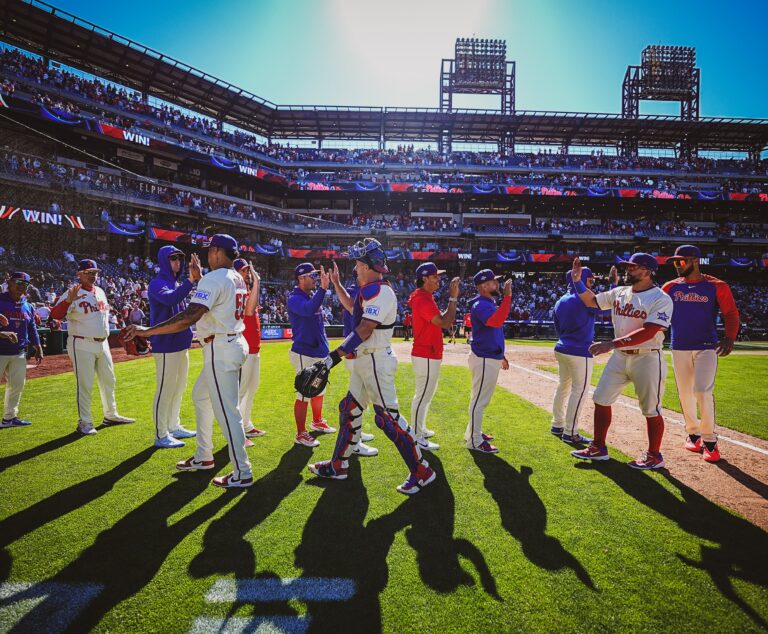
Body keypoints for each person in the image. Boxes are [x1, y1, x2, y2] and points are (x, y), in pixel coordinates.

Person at [125, 234, 252, 488]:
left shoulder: (215, 278)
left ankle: (242, 471)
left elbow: (187, 317)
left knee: (228, 413)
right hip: (232, 341)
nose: (206, 254)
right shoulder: (235, 276)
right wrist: (201, 279)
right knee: (200, 396)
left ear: (216, 251)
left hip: (220, 347)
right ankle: (204, 456)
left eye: (210, 250)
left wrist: (146, 331)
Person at [308, 238, 434, 495]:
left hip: (375, 360)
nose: (354, 268)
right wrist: (336, 285)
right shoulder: (371, 290)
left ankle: (422, 471)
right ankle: (338, 465)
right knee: (349, 409)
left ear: (366, 265)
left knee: (388, 418)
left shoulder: (382, 291)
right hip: (368, 360)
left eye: (357, 263)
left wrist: (333, 357)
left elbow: (365, 329)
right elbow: (353, 309)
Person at [569, 253, 674, 470]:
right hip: (620, 356)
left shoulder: (660, 298)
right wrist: (577, 281)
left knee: (651, 409)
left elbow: (649, 331)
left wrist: (611, 344)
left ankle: (654, 455)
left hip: (647, 357)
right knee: (601, 398)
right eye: (627, 266)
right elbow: (592, 301)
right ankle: (598, 447)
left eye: (633, 267)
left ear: (647, 271)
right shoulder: (620, 292)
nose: (628, 270)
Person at [662, 244, 740, 463]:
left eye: (681, 261)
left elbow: (731, 314)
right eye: (675, 262)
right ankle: (693, 434)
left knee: (702, 392)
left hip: (707, 346)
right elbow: (655, 311)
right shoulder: (670, 287)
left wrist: (730, 337)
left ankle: (710, 441)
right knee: (685, 393)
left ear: (695, 261)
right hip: (679, 346)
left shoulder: (717, 286)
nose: (677, 266)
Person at [50, 259, 135, 435]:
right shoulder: (72, 292)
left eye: (94, 272)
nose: (92, 276)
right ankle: (85, 422)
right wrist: (68, 301)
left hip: (102, 343)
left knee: (109, 380)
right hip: (81, 342)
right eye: (88, 272)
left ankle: (111, 415)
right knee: (85, 384)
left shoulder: (101, 291)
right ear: (79, 274)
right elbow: (55, 315)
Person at [550, 266, 616, 444]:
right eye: (590, 280)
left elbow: (556, 327)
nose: (591, 283)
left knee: (563, 386)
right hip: (580, 350)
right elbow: (606, 307)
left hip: (562, 347)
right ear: (580, 278)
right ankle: (570, 432)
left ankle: (557, 424)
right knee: (579, 391)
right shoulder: (585, 300)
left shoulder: (560, 300)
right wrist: (613, 284)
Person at [147, 245, 201, 449]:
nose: (177, 262)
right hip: (165, 344)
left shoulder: (176, 282)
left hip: (180, 344)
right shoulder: (157, 283)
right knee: (164, 389)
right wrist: (191, 281)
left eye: (180, 258)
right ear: (163, 260)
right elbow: (172, 298)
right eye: (173, 258)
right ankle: (161, 434)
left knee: (179, 387)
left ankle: (173, 425)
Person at [407, 262, 460, 452]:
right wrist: (453, 299)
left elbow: (442, 321)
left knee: (426, 395)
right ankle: (416, 434)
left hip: (428, 353)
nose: (438, 279)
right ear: (424, 278)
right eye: (435, 276)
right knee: (422, 396)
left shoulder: (425, 297)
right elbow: (445, 323)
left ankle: (419, 428)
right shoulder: (423, 299)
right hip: (426, 353)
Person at [287, 262, 336, 448]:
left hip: (319, 352)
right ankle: (300, 433)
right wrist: (323, 289)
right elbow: (308, 310)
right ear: (300, 278)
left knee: (319, 388)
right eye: (311, 275)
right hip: (304, 352)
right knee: (304, 392)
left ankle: (317, 421)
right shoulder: (294, 298)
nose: (314, 278)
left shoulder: (310, 296)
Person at [328, 272, 377, 457]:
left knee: (360, 396)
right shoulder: (359, 292)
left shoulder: (358, 291)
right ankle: (355, 442)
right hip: (354, 351)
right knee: (358, 397)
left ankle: (357, 434)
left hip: (355, 350)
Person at [465, 269, 512, 453]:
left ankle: (473, 433)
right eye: (493, 282)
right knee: (479, 401)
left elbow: (494, 331)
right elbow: (496, 322)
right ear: (483, 286)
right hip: (484, 357)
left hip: (489, 356)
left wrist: (501, 354)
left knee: (478, 400)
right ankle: (475, 441)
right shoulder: (481, 305)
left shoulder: (487, 303)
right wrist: (507, 298)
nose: (497, 284)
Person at [0, 272, 43, 428]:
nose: (21, 287)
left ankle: (9, 418)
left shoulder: (27, 305)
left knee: (17, 385)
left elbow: (32, 328)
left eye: (25, 284)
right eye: (18, 283)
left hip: (19, 352)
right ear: (9, 283)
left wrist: (37, 346)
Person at [233, 258, 267, 442]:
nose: (247, 273)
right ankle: (237, 431)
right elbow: (248, 311)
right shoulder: (239, 290)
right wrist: (258, 282)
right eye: (244, 270)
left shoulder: (246, 290)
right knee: (241, 390)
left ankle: (247, 425)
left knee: (251, 388)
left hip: (254, 348)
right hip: (245, 349)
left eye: (248, 270)